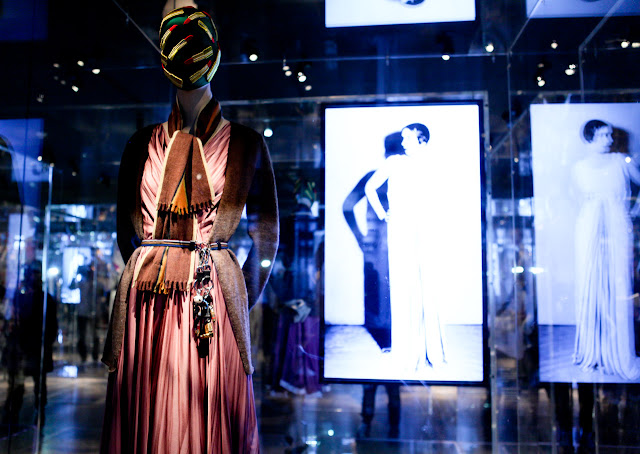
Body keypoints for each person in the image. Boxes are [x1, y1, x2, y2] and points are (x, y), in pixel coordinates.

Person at [100, 7, 278, 453]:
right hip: (146, 304)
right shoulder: (140, 145)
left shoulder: (246, 144)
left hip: (210, 303)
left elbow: (267, 233)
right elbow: (126, 232)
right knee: (148, 414)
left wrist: (235, 293)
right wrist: (152, 267)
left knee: (206, 415)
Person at [364, 123, 445, 372]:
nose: (403, 142)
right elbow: (370, 188)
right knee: (403, 286)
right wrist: (383, 214)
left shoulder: (433, 165)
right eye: (402, 138)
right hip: (400, 229)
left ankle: (432, 352)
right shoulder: (394, 163)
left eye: (408, 138)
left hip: (426, 230)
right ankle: (407, 353)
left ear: (422, 141)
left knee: (428, 287)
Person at [572, 119, 640, 380]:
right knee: (590, 283)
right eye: (603, 135)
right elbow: (577, 199)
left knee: (619, 283)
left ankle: (619, 351)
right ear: (590, 138)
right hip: (589, 226)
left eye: (610, 135)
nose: (609, 140)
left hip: (617, 223)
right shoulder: (579, 167)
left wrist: (634, 211)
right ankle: (594, 350)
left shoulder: (621, 162)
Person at [342, 132, 404, 351]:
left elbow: (347, 206)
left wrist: (361, 238)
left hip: (381, 245)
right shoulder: (391, 177)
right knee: (385, 290)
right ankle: (390, 342)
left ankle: (387, 343)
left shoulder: (376, 176)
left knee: (380, 291)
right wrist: (360, 238)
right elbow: (348, 206)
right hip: (385, 245)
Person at [1, 263, 58, 430]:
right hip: (24, 346)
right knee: (19, 384)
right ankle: (13, 413)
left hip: (34, 346)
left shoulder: (44, 298)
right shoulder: (24, 297)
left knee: (36, 383)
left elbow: (51, 325)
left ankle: (34, 411)